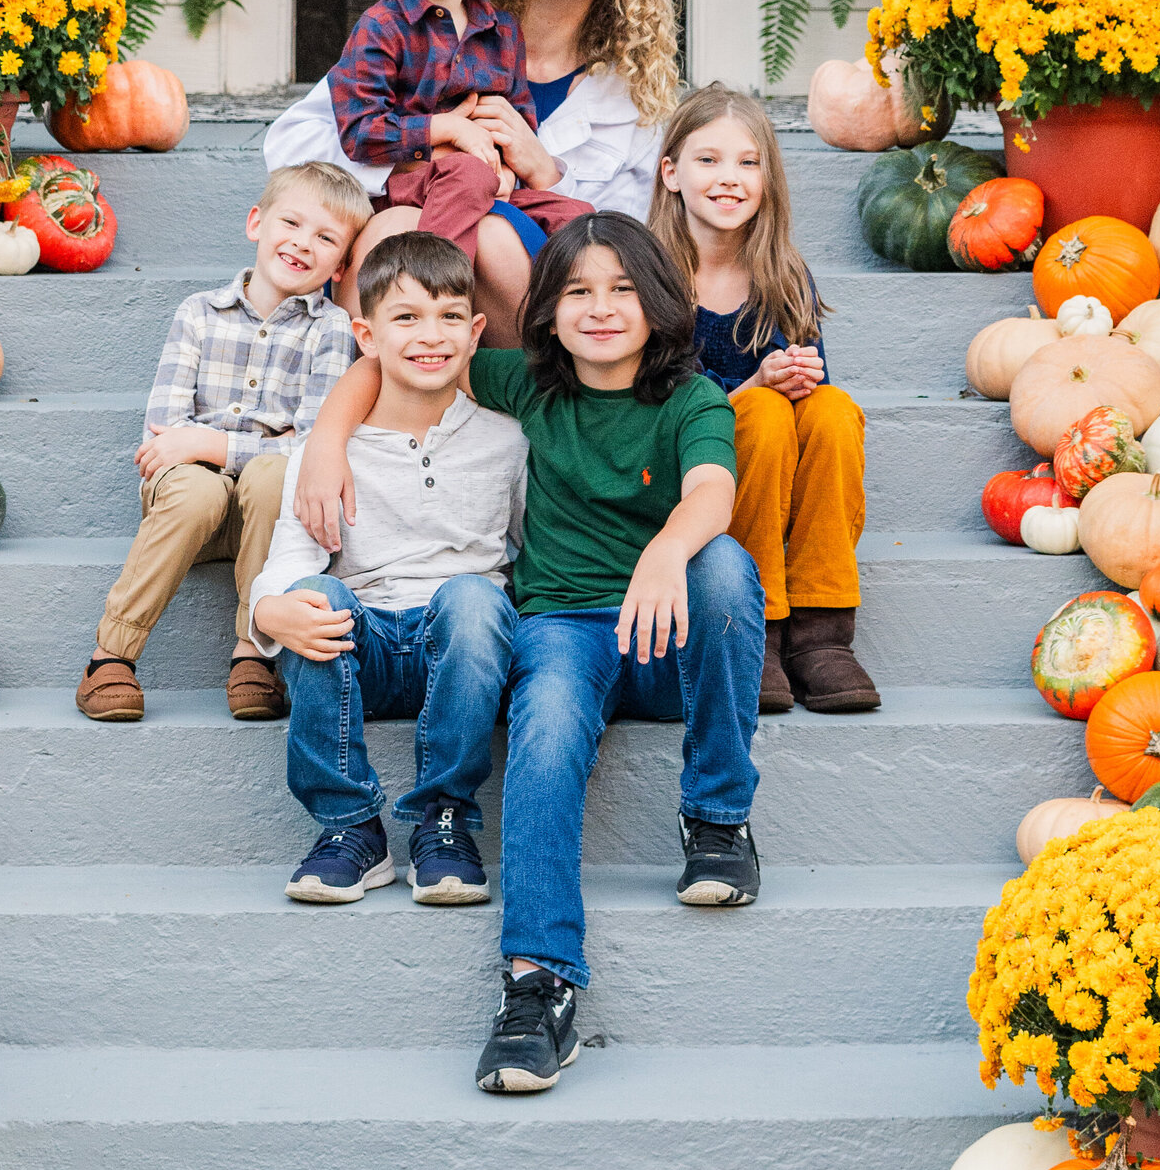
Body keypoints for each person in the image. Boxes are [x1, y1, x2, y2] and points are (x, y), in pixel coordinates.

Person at [297, 211, 765, 1094]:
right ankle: (537, 985)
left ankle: (717, 816)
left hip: (668, 634)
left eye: (623, 289)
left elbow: (711, 489)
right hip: (564, 628)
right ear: (546, 310)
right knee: (545, 730)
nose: (600, 308)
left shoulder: (691, 398)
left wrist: (666, 550)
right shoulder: (528, 386)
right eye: (578, 291)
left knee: (726, 569)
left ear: (660, 302)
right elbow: (395, 357)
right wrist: (325, 442)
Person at [265, 0, 681, 342]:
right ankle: (397, 376)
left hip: (529, 285)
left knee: (508, 231)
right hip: (410, 229)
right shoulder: (428, 18)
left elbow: (634, 236)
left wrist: (539, 169)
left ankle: (530, 388)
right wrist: (431, 145)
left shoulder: (628, 88)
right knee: (395, 228)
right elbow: (292, 143)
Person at [247, 231, 527, 907]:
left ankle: (446, 817)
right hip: (362, 643)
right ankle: (348, 827)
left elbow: (527, 553)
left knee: (476, 598)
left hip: (460, 650)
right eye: (406, 317)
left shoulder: (507, 439)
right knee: (313, 593)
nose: (429, 335)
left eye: (449, 316)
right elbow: (290, 554)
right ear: (366, 335)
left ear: (475, 330)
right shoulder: (330, 452)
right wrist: (268, 609)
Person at [73, 160, 371, 727]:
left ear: (342, 261)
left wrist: (208, 443)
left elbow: (311, 448)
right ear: (257, 223)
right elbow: (162, 435)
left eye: (326, 237)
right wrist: (205, 450)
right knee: (195, 490)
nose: (304, 244)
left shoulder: (330, 329)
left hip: (269, 515)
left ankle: (253, 656)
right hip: (184, 507)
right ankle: (110, 656)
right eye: (292, 223)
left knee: (274, 475)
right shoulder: (198, 314)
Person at [649, 85, 877, 717]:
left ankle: (821, 629)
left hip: (777, 464)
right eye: (709, 161)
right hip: (689, 476)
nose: (730, 179)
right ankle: (763, 624)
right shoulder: (651, 276)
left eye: (748, 163)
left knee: (832, 410)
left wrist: (803, 374)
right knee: (761, 411)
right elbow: (658, 401)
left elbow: (811, 386)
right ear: (671, 172)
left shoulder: (782, 269)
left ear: (768, 178)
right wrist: (753, 390)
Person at [322, 0, 593, 295]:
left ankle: (561, 340)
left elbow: (519, 119)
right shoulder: (381, 27)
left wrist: (508, 173)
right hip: (411, 180)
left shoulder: (502, 30)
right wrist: (445, 128)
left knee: (579, 216)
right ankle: (438, 296)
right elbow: (360, 131)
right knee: (469, 175)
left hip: (486, 180)